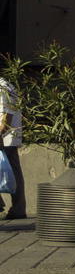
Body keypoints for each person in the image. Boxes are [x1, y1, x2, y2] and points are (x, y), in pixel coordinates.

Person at [0, 74, 23, 220]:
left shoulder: (3, 88)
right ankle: (18, 208)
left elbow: (6, 116)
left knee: (13, 174)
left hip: (5, 139)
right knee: (13, 173)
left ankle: (19, 209)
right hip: (6, 137)